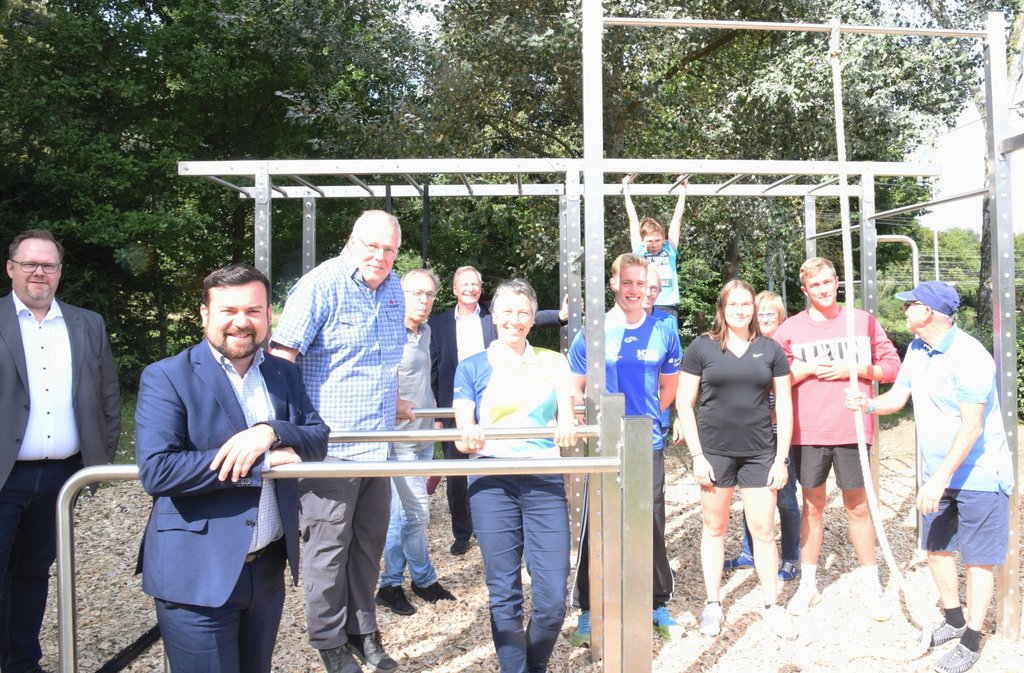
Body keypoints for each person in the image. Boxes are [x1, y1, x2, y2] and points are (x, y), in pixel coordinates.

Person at [135, 264, 329, 673]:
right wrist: (262, 461)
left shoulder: (283, 372)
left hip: (267, 569)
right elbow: (159, 470)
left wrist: (269, 431)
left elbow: (317, 438)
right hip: (197, 573)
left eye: (253, 311)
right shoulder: (167, 376)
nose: (241, 322)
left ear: (268, 315)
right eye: (229, 310)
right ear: (205, 314)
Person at [270, 210, 412, 673]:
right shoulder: (320, 285)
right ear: (352, 241)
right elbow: (281, 359)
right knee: (327, 550)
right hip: (330, 450)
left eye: (390, 249)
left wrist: (395, 400)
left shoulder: (393, 288)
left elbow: (385, 360)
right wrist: (286, 431)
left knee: (368, 545)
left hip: (378, 448)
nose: (381, 256)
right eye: (373, 246)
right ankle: (328, 638)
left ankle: (362, 628)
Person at [845, 281, 1012, 673]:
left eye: (911, 304)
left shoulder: (970, 356)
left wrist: (938, 479)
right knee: (936, 548)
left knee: (978, 560)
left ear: (930, 312)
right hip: (938, 473)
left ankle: (972, 639)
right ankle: (953, 620)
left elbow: (972, 427)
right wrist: (868, 404)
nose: (905, 310)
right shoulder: (917, 350)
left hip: (979, 475)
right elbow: (897, 397)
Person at [0, 229, 120, 673]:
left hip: (61, 478)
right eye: (30, 264)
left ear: (60, 272)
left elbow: (108, 397)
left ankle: (22, 663)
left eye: (48, 265)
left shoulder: (87, 323)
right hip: (4, 475)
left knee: (33, 575)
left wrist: (98, 463)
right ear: (11, 269)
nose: (39, 272)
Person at [452, 279, 578, 673]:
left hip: (543, 478)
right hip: (492, 481)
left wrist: (567, 423)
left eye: (524, 312)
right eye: (507, 311)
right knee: (504, 594)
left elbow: (567, 414)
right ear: (493, 316)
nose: (515, 319)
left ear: (533, 318)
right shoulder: (472, 366)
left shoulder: (553, 362)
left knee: (552, 600)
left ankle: (533, 665)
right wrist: (468, 435)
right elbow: (462, 430)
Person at [772, 257, 901, 620]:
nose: (823, 289)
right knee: (812, 505)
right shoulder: (790, 330)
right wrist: (805, 370)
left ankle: (871, 586)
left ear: (837, 282)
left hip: (852, 429)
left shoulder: (862, 322)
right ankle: (808, 585)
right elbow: (772, 381)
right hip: (809, 431)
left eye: (828, 282)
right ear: (805, 290)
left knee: (857, 506)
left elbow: (893, 368)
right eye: (815, 285)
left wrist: (854, 368)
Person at [567, 253, 682, 646]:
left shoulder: (663, 331)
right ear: (614, 283)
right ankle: (589, 608)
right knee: (597, 521)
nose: (634, 290)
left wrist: (644, 421)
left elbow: (669, 387)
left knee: (650, 521)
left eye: (641, 283)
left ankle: (656, 602)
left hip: (646, 443)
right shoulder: (593, 332)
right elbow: (575, 385)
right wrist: (582, 419)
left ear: (649, 287)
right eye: (627, 282)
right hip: (604, 442)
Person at [675, 280, 794, 639]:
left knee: (764, 530)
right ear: (722, 308)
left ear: (754, 308)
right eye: (733, 304)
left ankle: (772, 605)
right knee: (714, 527)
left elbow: (785, 406)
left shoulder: (771, 349)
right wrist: (697, 455)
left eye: (746, 304)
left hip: (759, 452)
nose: (740, 310)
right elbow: (684, 403)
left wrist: (781, 459)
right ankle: (713, 604)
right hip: (714, 452)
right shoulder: (702, 347)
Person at [429, 266, 566, 556]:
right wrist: (438, 415)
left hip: (496, 399)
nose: (470, 288)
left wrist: (560, 315)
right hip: (459, 404)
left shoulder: (494, 315)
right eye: (464, 284)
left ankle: (494, 529)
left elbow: (526, 317)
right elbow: (433, 368)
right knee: (456, 477)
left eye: (475, 284)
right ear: (454, 289)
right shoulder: (439, 324)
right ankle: (462, 533)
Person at [376, 268, 456, 616]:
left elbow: (425, 377)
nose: (424, 300)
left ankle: (391, 584)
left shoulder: (424, 332)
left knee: (403, 514)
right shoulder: (388, 331)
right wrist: (392, 404)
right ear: (400, 295)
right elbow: (372, 378)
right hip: (400, 438)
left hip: (424, 434)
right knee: (418, 513)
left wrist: (434, 415)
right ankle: (421, 578)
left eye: (429, 294)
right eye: (416, 293)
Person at [721, 291, 801, 581]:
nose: (765, 318)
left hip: (778, 436)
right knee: (752, 496)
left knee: (785, 499)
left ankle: (791, 556)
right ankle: (749, 551)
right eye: (761, 313)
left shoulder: (785, 349)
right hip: (753, 436)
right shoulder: (748, 347)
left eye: (771, 313)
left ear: (781, 317)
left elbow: (789, 385)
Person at [624, 175, 687, 319]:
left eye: (657, 240)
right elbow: (632, 219)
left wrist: (683, 189)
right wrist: (626, 190)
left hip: (667, 304)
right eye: (650, 241)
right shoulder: (640, 251)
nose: (654, 245)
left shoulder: (669, 249)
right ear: (642, 241)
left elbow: (677, 219)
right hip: (643, 303)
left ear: (663, 239)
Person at [642, 265, 678, 444]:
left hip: (658, 411)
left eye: (654, 288)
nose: (648, 293)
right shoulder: (614, 321)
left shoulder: (668, 322)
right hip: (623, 408)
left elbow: (676, 369)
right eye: (645, 286)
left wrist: (679, 415)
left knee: (655, 458)